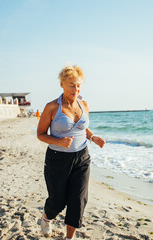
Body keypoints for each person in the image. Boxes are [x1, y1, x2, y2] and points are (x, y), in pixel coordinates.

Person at [37, 65, 105, 239]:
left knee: (78, 200)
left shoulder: (84, 105)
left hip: (82, 157)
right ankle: (46, 218)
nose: (76, 89)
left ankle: (69, 238)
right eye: (72, 85)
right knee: (57, 201)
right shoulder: (52, 107)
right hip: (57, 159)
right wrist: (59, 141)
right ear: (62, 84)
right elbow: (40, 134)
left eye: (79, 85)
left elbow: (83, 129)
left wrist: (93, 137)